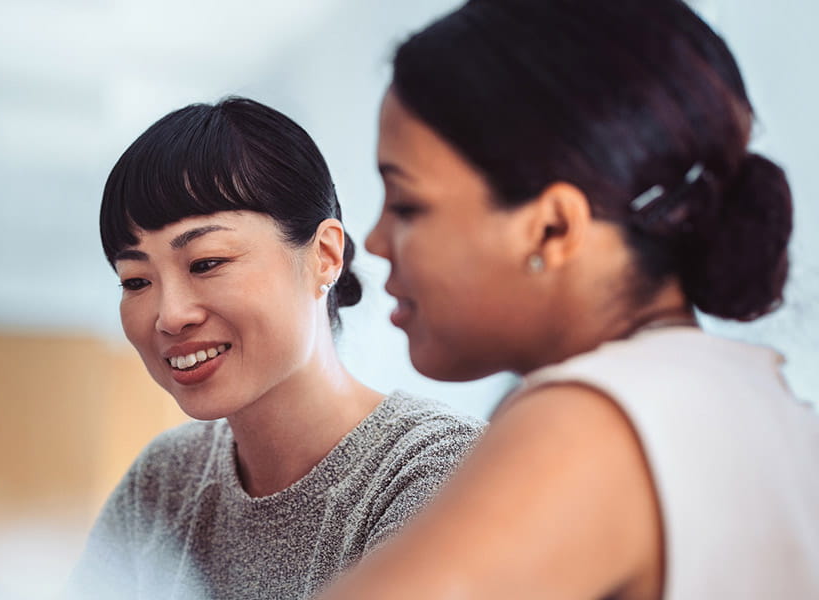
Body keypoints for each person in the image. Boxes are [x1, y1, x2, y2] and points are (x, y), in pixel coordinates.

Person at [319, 1, 819, 598]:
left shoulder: (591, 421)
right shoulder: (759, 400)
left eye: (406, 205)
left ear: (553, 228)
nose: (372, 241)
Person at [70, 96, 484, 600]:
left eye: (206, 262)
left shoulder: (440, 471)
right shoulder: (165, 478)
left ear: (325, 256)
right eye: (135, 281)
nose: (169, 314)